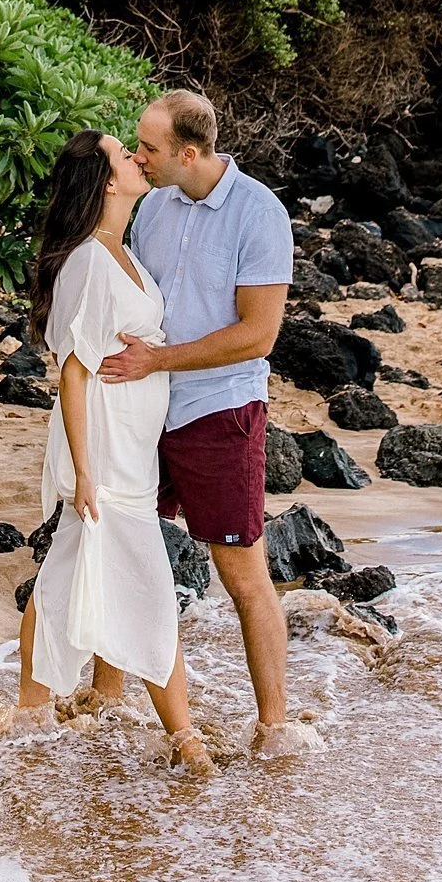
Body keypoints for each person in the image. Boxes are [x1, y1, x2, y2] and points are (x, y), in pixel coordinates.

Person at [0, 129, 214, 774]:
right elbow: (73, 374)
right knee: (146, 584)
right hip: (105, 453)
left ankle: (38, 713)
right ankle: (185, 740)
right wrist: (84, 471)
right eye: (124, 154)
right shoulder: (88, 260)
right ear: (107, 181)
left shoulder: (122, 250)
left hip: (133, 447)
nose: (138, 158)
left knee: (68, 570)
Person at [98, 90, 322, 758]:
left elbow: (258, 335)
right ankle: (105, 703)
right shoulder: (154, 207)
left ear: (189, 153)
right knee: (122, 547)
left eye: (149, 148)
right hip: (144, 407)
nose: (139, 156)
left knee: (242, 573)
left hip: (219, 411)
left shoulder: (260, 214)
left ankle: (274, 728)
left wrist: (159, 360)